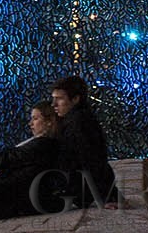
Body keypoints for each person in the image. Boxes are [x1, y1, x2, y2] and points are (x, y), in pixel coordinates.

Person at [49, 75, 116, 206]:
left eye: (60, 99)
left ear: (75, 99)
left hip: (75, 192)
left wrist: (107, 196)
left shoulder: (79, 123)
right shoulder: (76, 120)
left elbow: (91, 160)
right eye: (53, 99)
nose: (54, 104)